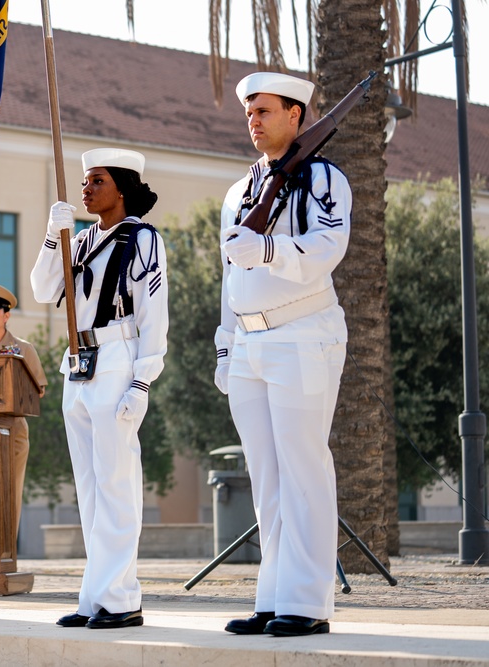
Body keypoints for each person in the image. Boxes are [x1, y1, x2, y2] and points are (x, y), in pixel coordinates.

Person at [216, 72, 352, 637]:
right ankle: (273, 595)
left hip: (302, 334)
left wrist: (267, 248)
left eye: (265, 110)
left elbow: (327, 248)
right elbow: (229, 273)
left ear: (297, 116)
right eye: (249, 112)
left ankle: (307, 602)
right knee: (265, 475)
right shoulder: (239, 188)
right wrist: (226, 344)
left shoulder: (323, 178)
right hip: (248, 342)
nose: (254, 120)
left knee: (303, 469)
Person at [30, 148, 168, 630]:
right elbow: (44, 290)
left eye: (96, 181)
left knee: (116, 483)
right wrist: (53, 235)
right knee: (89, 488)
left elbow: (153, 313)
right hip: (78, 361)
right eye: (85, 181)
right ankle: (96, 596)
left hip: (116, 357)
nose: (85, 189)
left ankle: (122, 597)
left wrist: (141, 380)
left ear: (122, 188)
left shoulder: (143, 240)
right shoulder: (82, 239)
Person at [0, 282, 47, 543]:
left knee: (9, 491)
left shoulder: (23, 349)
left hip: (11, 430)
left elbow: (38, 389)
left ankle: (5, 550)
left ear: (7, 315)